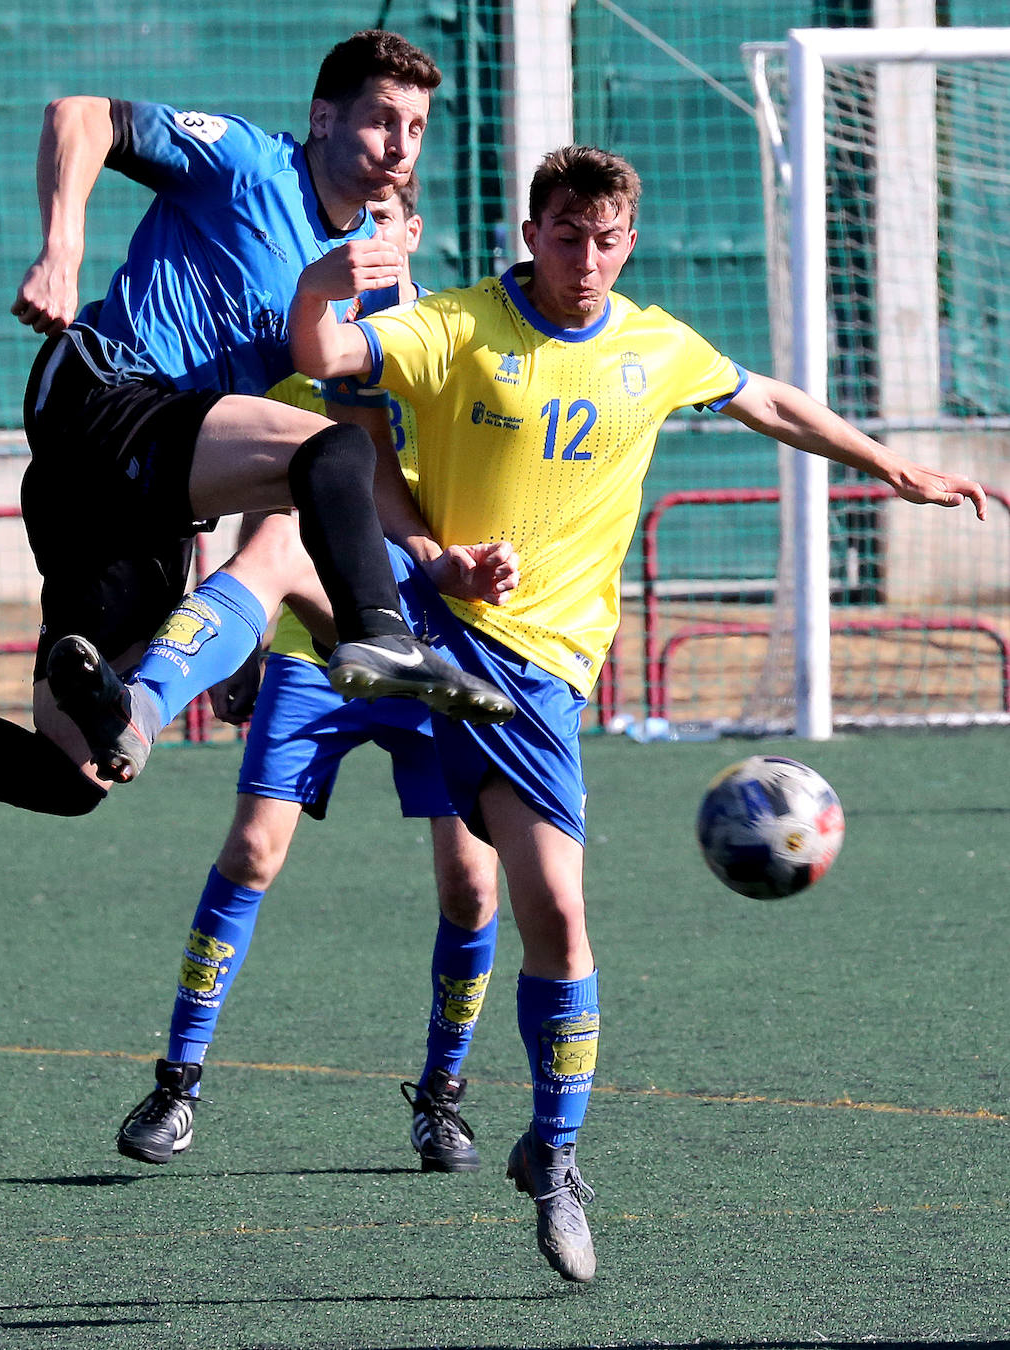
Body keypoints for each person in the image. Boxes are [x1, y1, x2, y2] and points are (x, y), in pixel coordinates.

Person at [280, 145, 986, 1283]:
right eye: (568, 235)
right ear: (530, 231)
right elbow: (322, 362)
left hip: (547, 674)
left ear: (632, 240)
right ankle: (506, 1132)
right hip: (447, 639)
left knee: (540, 911)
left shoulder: (653, 347)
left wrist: (889, 465)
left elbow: (768, 401)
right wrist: (335, 271)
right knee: (516, 897)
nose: (588, 259)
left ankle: (546, 1152)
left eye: (608, 239)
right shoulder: (459, 325)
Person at [0, 27, 511, 856]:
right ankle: (380, 636)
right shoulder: (249, 162)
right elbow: (80, 116)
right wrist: (63, 250)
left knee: (75, 769)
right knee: (329, 453)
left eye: (415, 128)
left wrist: (425, 556)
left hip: (143, 485)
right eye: (381, 121)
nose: (399, 147)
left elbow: (297, 450)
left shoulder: (371, 274)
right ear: (323, 119)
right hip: (100, 393)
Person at [115, 185, 503, 1174]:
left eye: (386, 217)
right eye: (352, 218)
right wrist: (239, 646)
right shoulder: (309, 347)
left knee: (470, 883)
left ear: (416, 231)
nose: (366, 235)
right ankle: (178, 1082)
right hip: (318, 642)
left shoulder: (454, 343)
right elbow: (268, 504)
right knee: (250, 852)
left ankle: (443, 1096)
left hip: (438, 641)